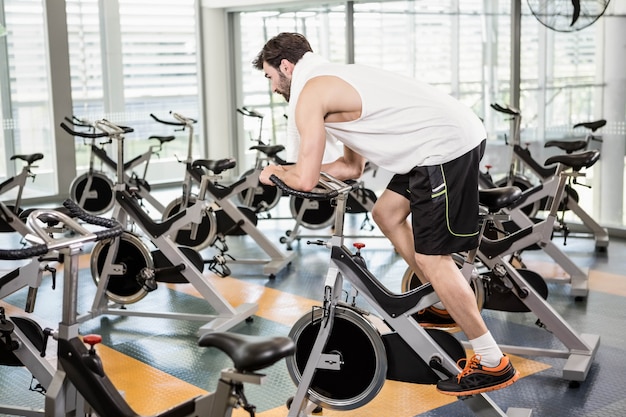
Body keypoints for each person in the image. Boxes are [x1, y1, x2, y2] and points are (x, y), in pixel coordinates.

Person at [253, 32, 519, 396]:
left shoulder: (310, 93)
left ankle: (493, 362)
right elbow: (350, 167)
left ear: (286, 66)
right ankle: (439, 299)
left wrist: (276, 171)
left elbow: (305, 177)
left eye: (270, 77)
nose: (272, 88)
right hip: (434, 143)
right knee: (386, 213)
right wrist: (288, 169)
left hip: (442, 146)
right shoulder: (334, 83)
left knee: (433, 257)